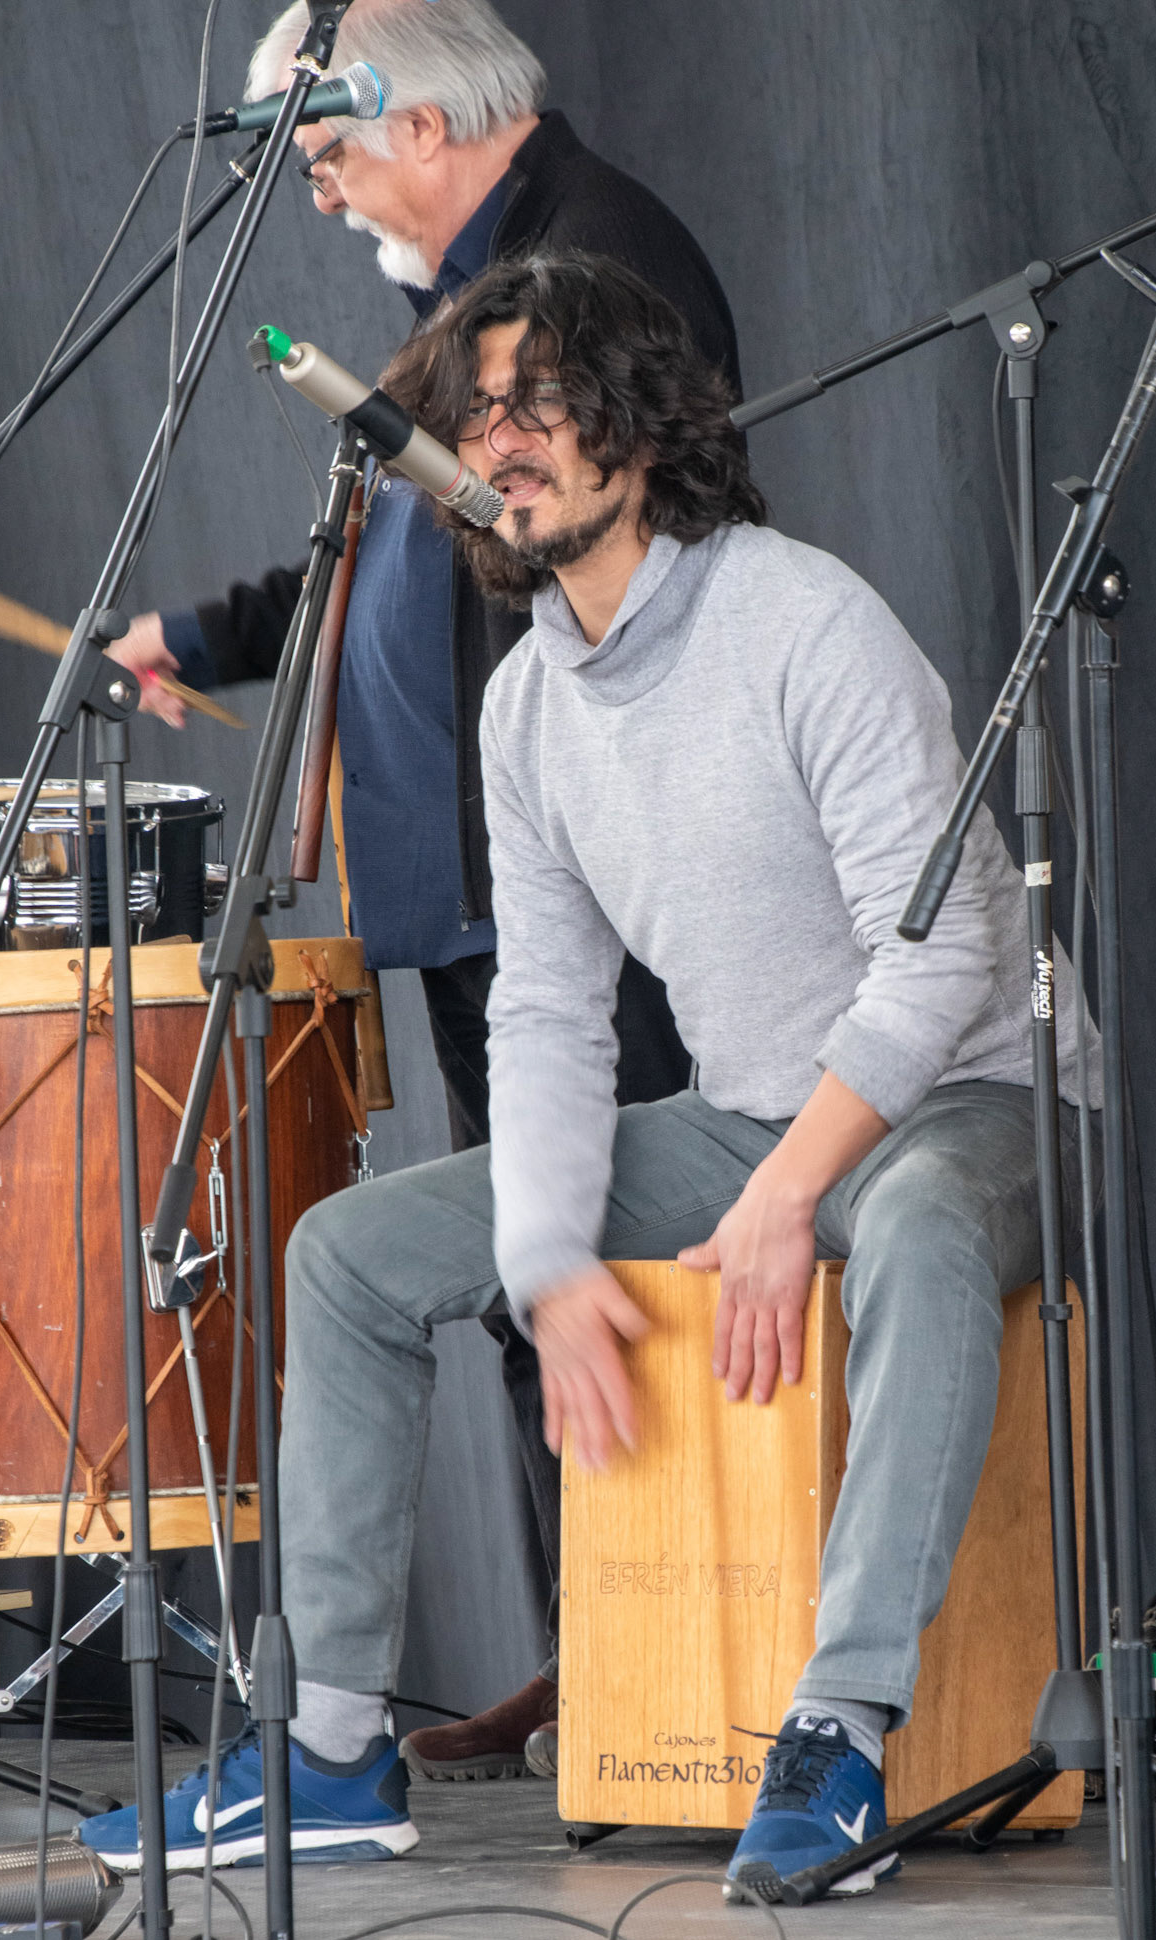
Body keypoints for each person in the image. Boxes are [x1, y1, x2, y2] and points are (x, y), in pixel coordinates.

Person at [83, 252, 1096, 1892]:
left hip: (976, 1102)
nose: (500, 437)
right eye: (478, 412)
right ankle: (329, 1752)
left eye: (540, 398)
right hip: (750, 1113)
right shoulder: (530, 706)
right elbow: (548, 1013)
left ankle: (838, 1733)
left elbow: (944, 962)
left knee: (911, 1224)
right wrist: (548, 1263)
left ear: (640, 421)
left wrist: (787, 1190)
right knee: (347, 1255)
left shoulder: (804, 620)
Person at [106, 0, 741, 1782]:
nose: (313, 193)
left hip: (583, 872)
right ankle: (593, 1647)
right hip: (478, 882)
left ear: (427, 123)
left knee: (606, 1262)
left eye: (325, 152)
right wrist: (205, 636)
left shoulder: (588, 266)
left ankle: (662, 1659)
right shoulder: (475, 292)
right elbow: (398, 542)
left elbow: (580, 551)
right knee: (537, 1277)